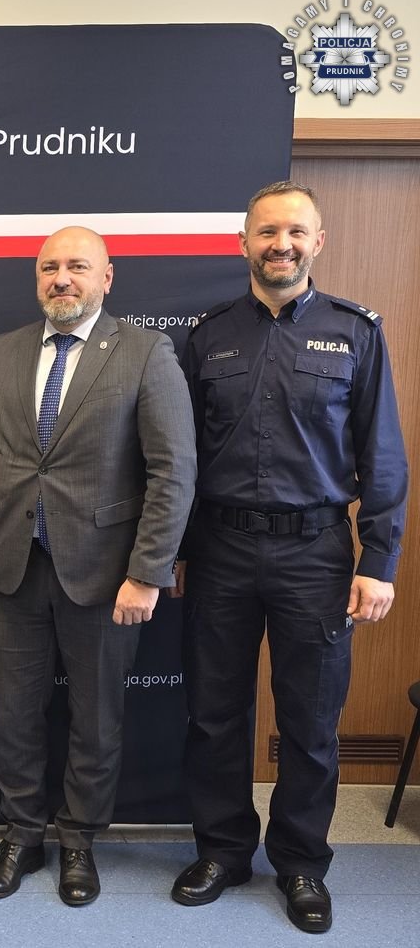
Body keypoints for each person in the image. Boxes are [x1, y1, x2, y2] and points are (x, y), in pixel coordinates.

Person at [171, 181, 408, 934]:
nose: (282, 244)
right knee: (215, 713)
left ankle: (302, 863)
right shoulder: (207, 336)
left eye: (296, 232)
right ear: (244, 243)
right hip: (220, 549)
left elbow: (383, 453)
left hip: (317, 552)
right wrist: (177, 551)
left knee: (310, 719)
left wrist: (379, 559)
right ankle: (223, 851)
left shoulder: (356, 332)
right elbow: (180, 457)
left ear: (318, 242)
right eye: (268, 231)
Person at [0, 227, 195, 906]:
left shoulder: (146, 352)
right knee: (15, 714)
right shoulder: (2, 351)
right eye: (49, 267)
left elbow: (173, 470)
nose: (62, 278)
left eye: (77, 266)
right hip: (12, 567)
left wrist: (147, 572)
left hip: (106, 574)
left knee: (95, 717)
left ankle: (79, 840)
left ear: (107, 277)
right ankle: (22, 834)